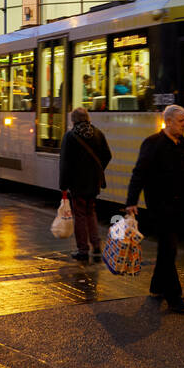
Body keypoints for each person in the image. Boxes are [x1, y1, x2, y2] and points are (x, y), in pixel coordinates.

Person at [126, 105, 184, 313]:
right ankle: (175, 297)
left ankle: (157, 286)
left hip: (179, 207)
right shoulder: (153, 144)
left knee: (166, 249)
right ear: (169, 121)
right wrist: (132, 202)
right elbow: (139, 173)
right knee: (169, 249)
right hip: (160, 206)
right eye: (181, 121)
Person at [59, 107, 112, 262]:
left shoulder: (70, 136)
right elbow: (107, 155)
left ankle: (83, 250)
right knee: (91, 212)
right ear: (88, 118)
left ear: (74, 120)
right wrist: (97, 170)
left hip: (77, 183)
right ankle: (96, 246)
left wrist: (63, 185)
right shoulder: (98, 133)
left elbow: (65, 164)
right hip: (93, 182)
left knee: (80, 215)